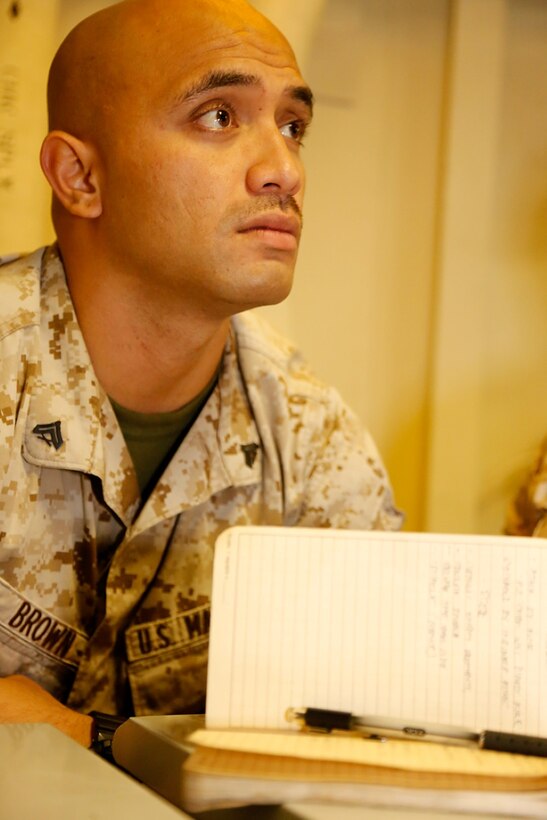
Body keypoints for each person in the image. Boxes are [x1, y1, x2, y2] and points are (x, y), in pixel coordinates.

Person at [0, 0, 402, 750]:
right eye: (218, 117)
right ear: (80, 175)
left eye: (292, 126)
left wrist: (76, 732)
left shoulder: (310, 435)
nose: (283, 170)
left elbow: (365, 718)